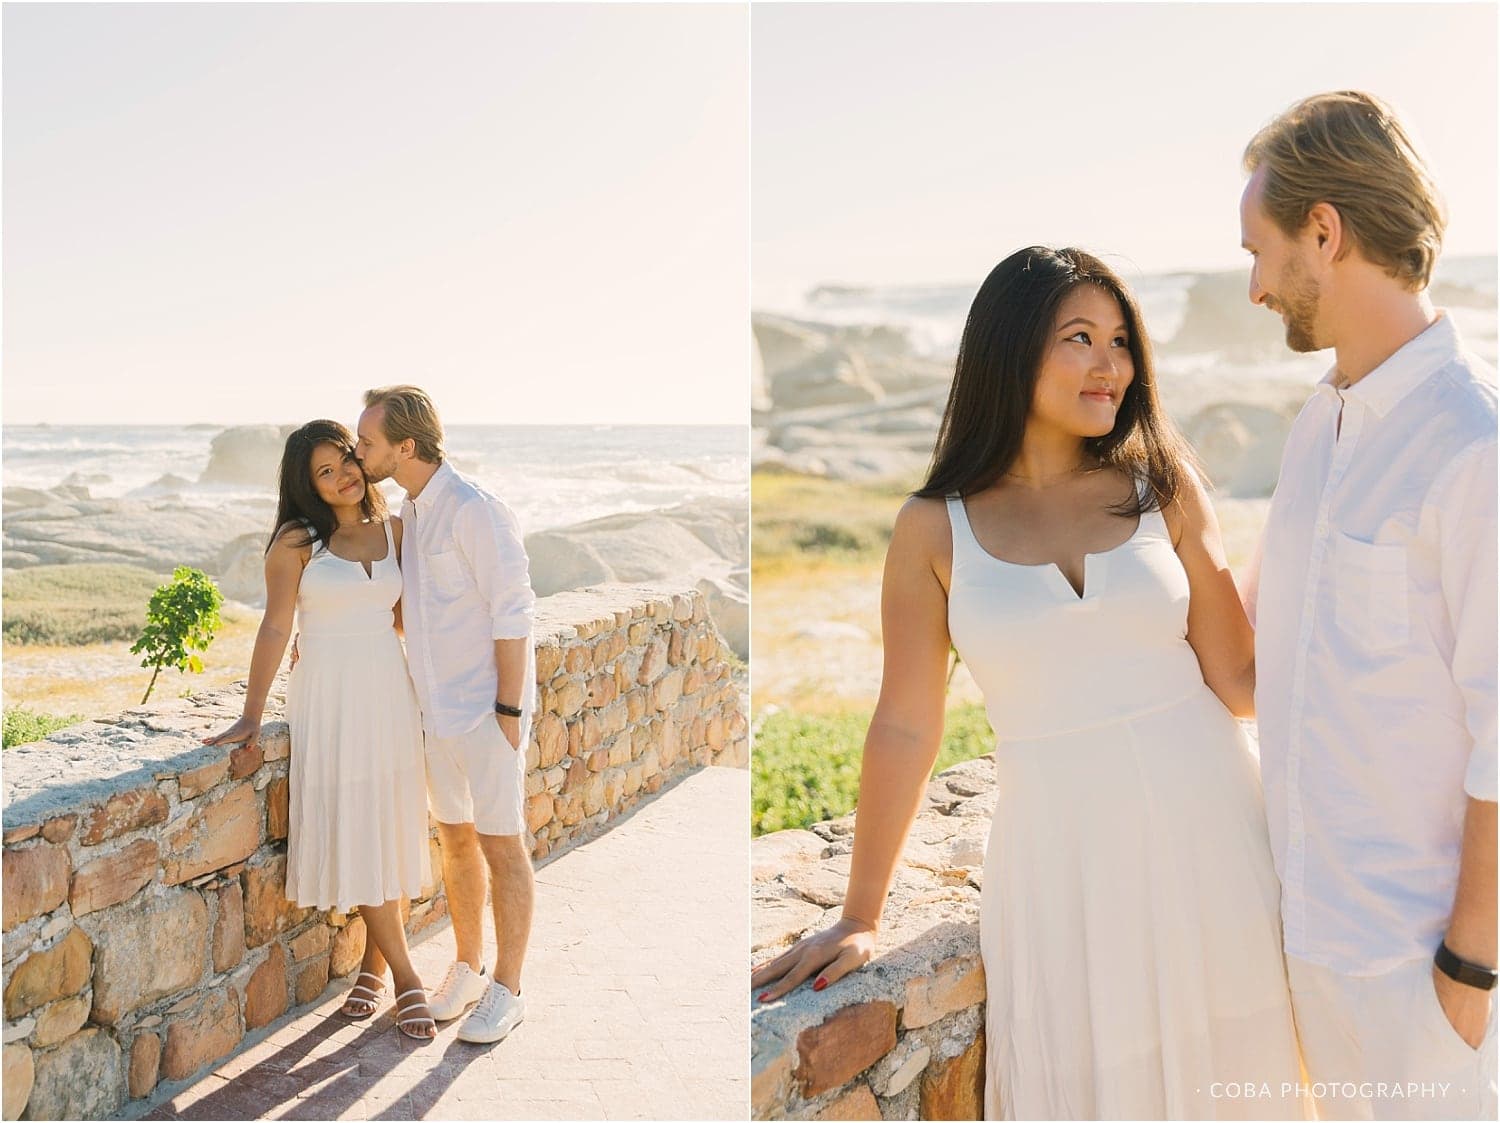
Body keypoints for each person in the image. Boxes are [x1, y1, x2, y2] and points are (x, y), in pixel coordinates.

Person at [752, 247, 1304, 1120]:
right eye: (1079, 337)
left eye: (1120, 340)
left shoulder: (1164, 484)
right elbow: (905, 725)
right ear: (1009, 349)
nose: (1109, 364)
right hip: (1062, 862)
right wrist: (860, 912)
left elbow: (1240, 676)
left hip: (1215, 834)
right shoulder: (932, 528)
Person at [1240, 91, 1496, 1120]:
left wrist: (1468, 973)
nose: (1255, 286)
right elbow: (1261, 657)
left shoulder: (1474, 444)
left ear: (1325, 230)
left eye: (1258, 250)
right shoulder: (1317, 425)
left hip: (1424, 974)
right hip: (1313, 947)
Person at [205, 420, 435, 1040]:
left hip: (389, 690)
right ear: (307, 486)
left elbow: (408, 619)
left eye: (345, 461)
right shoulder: (298, 540)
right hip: (330, 698)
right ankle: (410, 978)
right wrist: (252, 714)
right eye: (324, 472)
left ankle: (372, 969)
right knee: (358, 823)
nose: (342, 477)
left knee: (387, 823)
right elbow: (277, 627)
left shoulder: (395, 531)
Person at [353, 385, 537, 1046]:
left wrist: (509, 711)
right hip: (435, 715)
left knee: (502, 847)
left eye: (367, 441)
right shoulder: (413, 510)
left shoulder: (474, 511)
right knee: (456, 840)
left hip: (486, 714)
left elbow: (513, 612)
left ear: (406, 445)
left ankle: (508, 990)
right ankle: (466, 966)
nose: (357, 450)